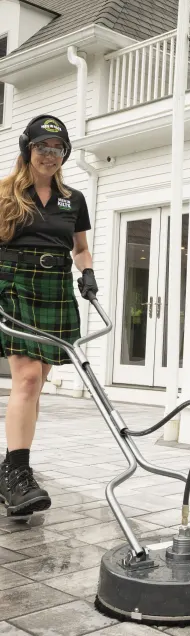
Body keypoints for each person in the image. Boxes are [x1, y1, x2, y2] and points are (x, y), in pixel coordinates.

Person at [0, 115, 98, 517]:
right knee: (25, 378)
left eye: (57, 149)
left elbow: (80, 248)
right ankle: (18, 474)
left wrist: (88, 273)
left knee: (37, 381)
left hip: (54, 287)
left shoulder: (72, 199)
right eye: (42, 147)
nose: (49, 155)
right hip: (14, 284)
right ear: (28, 149)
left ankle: (10, 467)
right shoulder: (6, 194)